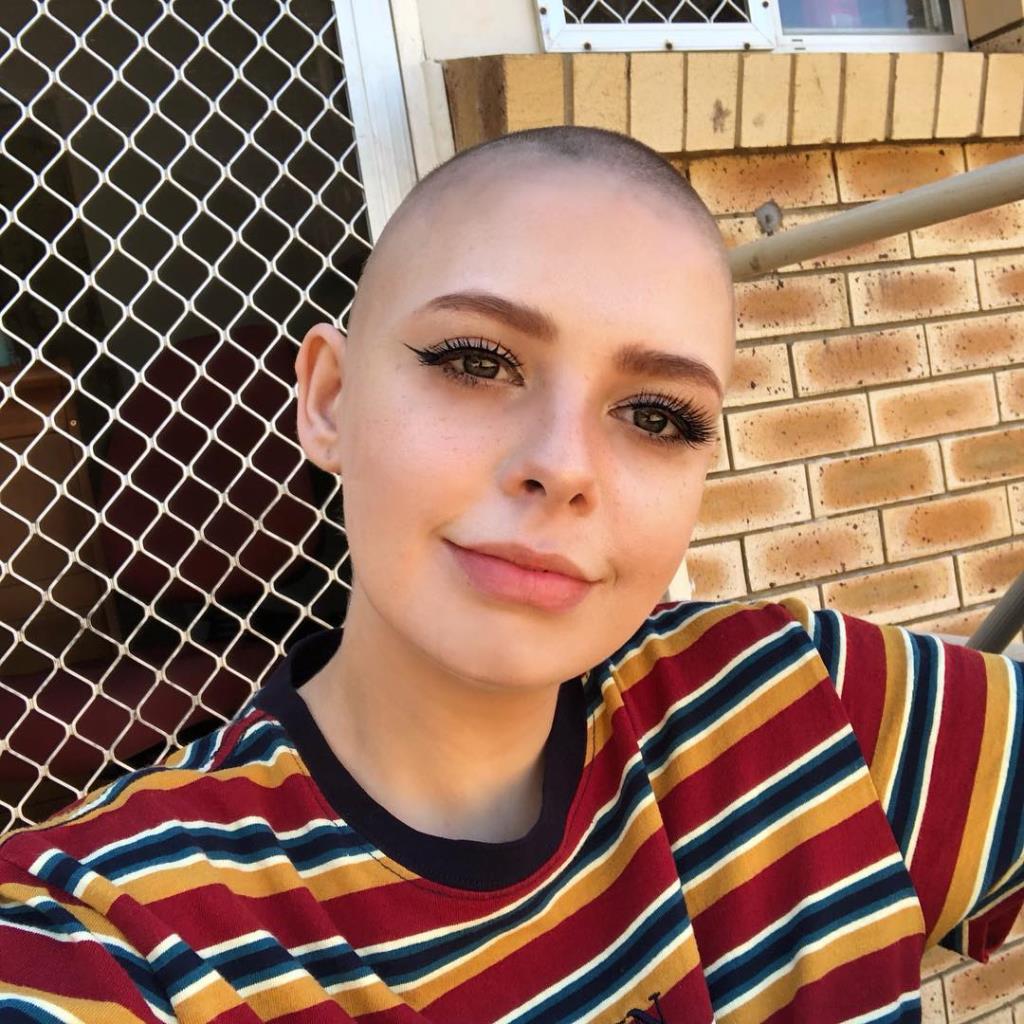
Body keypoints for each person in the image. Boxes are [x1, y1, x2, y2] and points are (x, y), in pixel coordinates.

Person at [0, 124, 1021, 1024]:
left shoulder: (802, 702)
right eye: (476, 362)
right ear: (328, 401)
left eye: (656, 415)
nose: (563, 466)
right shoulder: (116, 928)